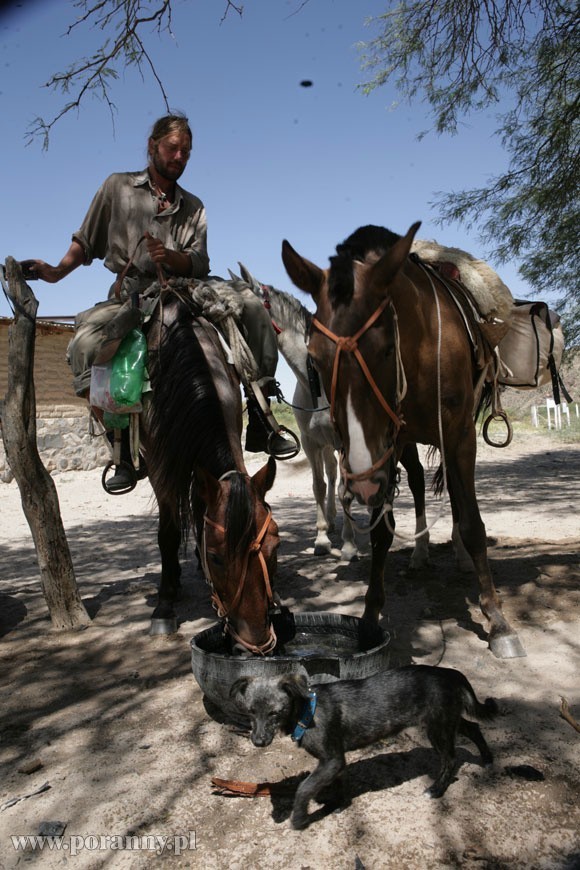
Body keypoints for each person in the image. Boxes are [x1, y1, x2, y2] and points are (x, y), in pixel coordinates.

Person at [24, 114, 298, 488]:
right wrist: (54, 272)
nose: (180, 156)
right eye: (173, 148)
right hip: (133, 294)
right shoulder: (116, 187)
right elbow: (86, 243)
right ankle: (121, 448)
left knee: (251, 304)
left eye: (186, 151)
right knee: (85, 346)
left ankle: (263, 414)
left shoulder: (194, 206)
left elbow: (200, 261)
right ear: (152, 146)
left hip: (189, 286)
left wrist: (169, 257)